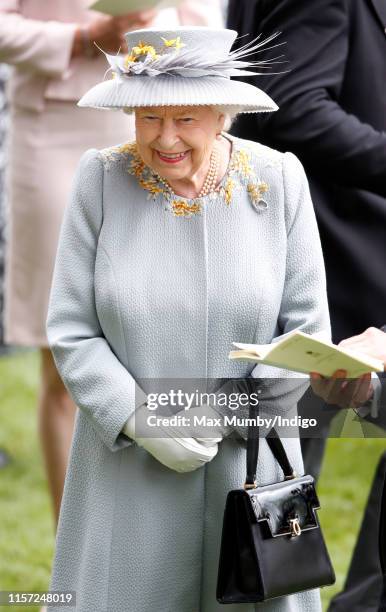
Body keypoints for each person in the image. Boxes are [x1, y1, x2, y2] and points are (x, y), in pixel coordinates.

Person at [46, 25, 330, 611]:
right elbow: (72, 331)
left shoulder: (278, 180)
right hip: (129, 466)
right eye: (148, 117)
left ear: (222, 114)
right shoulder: (100, 180)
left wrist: (225, 412)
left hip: (248, 465)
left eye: (185, 118)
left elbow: (305, 331)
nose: (164, 137)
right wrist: (142, 417)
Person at [0, 0, 223, 526]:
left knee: (156, 335)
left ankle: (159, 526)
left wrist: (159, 35)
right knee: (64, 352)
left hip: (154, 119)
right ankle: (71, 546)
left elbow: (203, 21)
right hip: (56, 124)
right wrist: (86, 36)